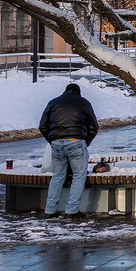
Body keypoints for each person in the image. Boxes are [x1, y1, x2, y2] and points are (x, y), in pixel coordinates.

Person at [38, 83, 99, 219]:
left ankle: (50, 210)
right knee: (79, 176)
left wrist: (52, 140)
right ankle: (71, 210)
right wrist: (85, 141)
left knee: (58, 176)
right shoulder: (84, 103)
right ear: (78, 93)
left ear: (65, 91)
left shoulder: (53, 102)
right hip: (75, 141)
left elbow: (42, 125)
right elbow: (94, 127)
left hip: (57, 143)